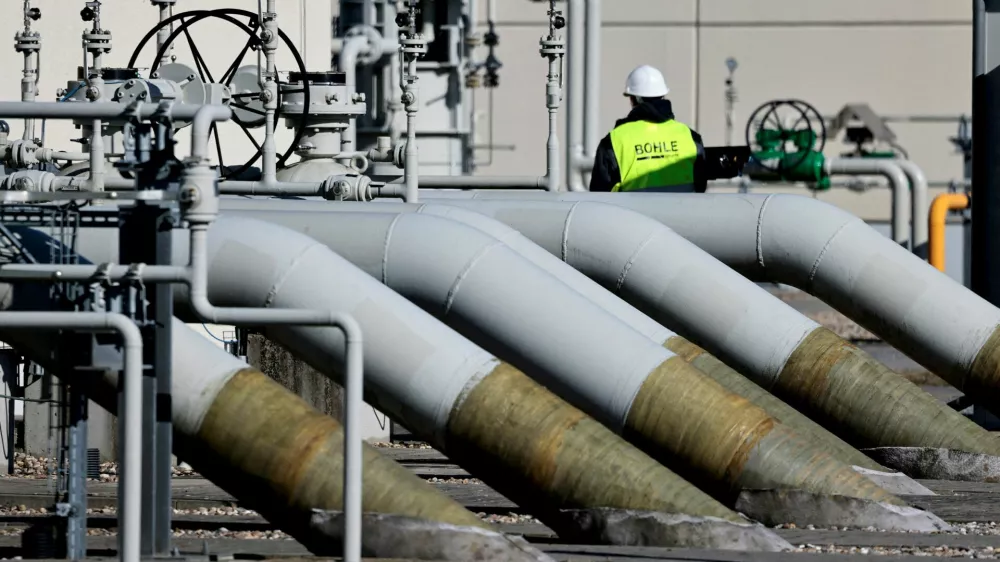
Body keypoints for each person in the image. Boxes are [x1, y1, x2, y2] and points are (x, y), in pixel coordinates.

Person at [590, 65, 707, 193]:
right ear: (663, 95)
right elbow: (701, 185)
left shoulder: (614, 141)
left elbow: (599, 195)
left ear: (633, 99)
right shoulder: (690, 136)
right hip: (682, 212)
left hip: (630, 213)